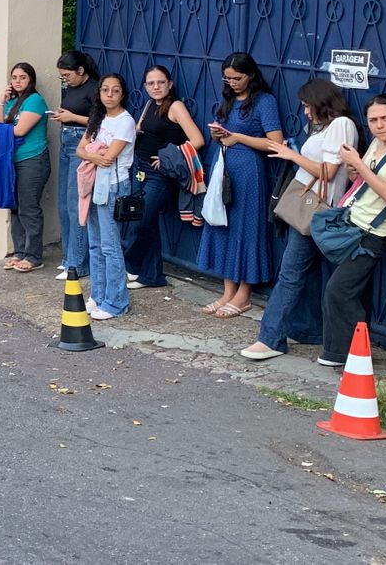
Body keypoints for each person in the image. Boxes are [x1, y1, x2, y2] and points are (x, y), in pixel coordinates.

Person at [241, 79, 358, 360]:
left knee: (290, 274)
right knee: (308, 274)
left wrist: (290, 154)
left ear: (321, 102)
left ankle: (270, 338)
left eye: (307, 105)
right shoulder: (327, 127)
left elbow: (328, 172)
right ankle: (308, 330)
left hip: (316, 210)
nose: (305, 112)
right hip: (311, 209)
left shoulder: (341, 124)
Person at [196, 52, 284, 318]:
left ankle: (244, 293)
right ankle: (227, 290)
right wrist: (218, 135)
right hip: (223, 166)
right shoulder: (228, 99)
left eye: (237, 78)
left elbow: (275, 143)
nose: (232, 82)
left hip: (248, 171)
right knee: (222, 225)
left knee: (246, 229)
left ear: (251, 75)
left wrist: (238, 138)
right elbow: (225, 135)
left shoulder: (264, 102)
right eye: (228, 78)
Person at [318, 94, 386, 368]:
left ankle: (344, 354)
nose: (379, 126)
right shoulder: (376, 144)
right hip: (355, 223)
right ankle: (355, 352)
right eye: (373, 120)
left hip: (374, 234)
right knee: (354, 290)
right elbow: (361, 182)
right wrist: (353, 169)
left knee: (338, 290)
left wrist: (360, 165)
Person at [120, 65, 207, 289]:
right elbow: (139, 130)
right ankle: (151, 275)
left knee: (140, 221)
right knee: (141, 220)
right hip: (139, 168)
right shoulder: (150, 104)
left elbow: (197, 140)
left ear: (170, 84)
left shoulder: (176, 106)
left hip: (159, 174)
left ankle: (132, 265)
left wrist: (169, 157)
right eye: (151, 83)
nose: (156, 87)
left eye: (160, 82)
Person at [77, 74, 137, 319]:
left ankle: (116, 301)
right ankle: (98, 295)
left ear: (122, 94)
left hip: (112, 186)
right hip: (93, 184)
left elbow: (108, 157)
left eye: (115, 90)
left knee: (110, 246)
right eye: (105, 90)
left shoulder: (125, 121)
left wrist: (91, 153)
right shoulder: (97, 119)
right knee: (95, 243)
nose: (109, 95)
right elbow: (82, 150)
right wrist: (93, 153)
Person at [50, 51, 100, 280]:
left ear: (81, 71)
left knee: (75, 203)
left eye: (68, 75)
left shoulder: (95, 88)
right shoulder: (72, 87)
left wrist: (72, 117)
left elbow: (99, 120)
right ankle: (68, 257)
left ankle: (78, 263)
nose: (65, 79)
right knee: (63, 203)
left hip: (82, 141)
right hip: (66, 140)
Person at [0, 64, 51, 273]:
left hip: (32, 159)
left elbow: (19, 131)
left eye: (22, 77)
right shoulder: (12, 101)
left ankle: (34, 255)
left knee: (29, 208)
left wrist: (1, 129)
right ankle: (20, 251)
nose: (18, 81)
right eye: (14, 77)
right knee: (14, 206)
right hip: (12, 160)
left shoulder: (35, 101)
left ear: (31, 79)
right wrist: (1, 101)